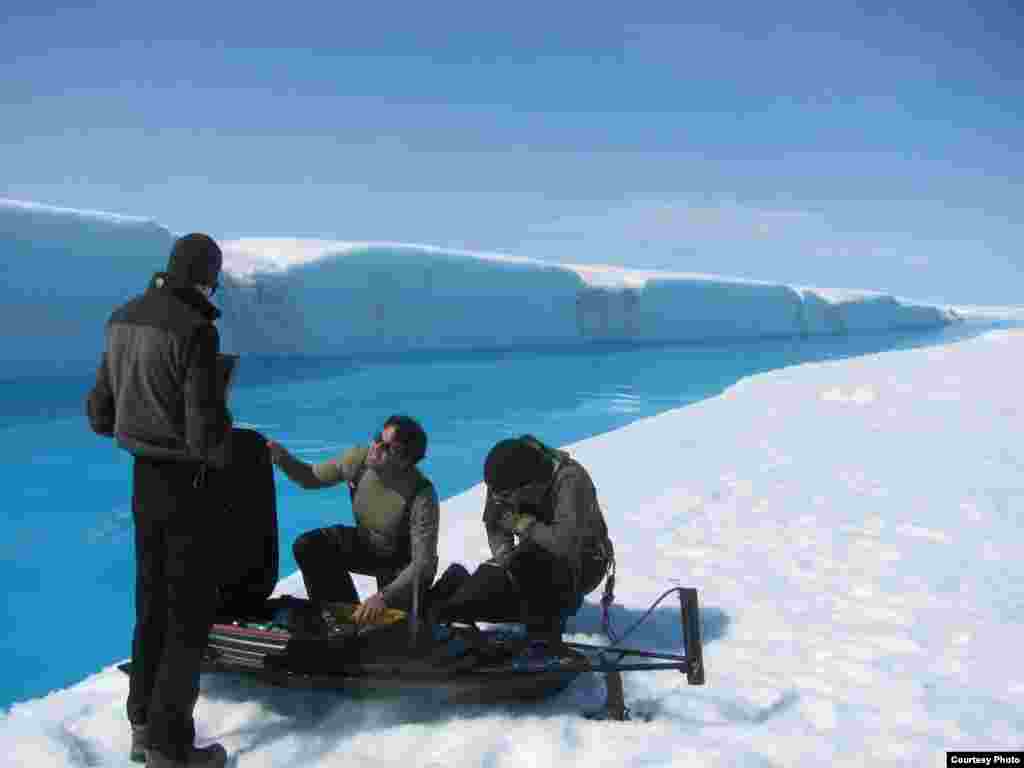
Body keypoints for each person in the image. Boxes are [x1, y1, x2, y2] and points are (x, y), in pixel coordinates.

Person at [87, 233, 232, 768]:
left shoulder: (122, 317)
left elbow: (100, 415)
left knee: (150, 603)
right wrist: (225, 432)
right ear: (205, 275)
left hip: (143, 481)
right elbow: (203, 433)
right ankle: (171, 748)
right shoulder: (197, 330)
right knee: (187, 613)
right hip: (186, 485)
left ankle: (142, 725)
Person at [433, 435, 614, 642]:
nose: (501, 499)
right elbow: (495, 522)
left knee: (537, 577)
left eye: (508, 496)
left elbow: (567, 545)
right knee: (495, 583)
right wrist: (504, 556)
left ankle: (545, 631)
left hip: (583, 562)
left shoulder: (570, 481)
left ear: (530, 486)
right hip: (535, 551)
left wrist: (522, 524)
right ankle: (452, 602)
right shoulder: (504, 476)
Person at [267, 415, 439, 625]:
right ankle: (344, 620)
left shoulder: (422, 495)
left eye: (386, 447)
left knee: (394, 631)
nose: (375, 447)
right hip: (368, 545)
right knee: (310, 546)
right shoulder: (359, 461)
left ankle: (432, 601)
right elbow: (310, 477)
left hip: (402, 564)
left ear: (405, 461)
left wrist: (383, 597)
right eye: (377, 438)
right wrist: (283, 458)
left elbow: (423, 563)